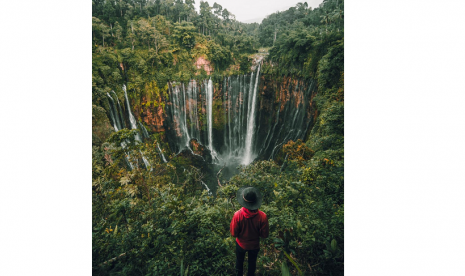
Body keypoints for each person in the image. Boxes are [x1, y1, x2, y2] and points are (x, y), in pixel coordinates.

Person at [230, 186, 269, 276]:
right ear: (256, 201)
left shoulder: (237, 215)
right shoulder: (262, 216)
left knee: (239, 262)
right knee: (252, 263)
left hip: (240, 244)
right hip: (254, 245)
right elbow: (264, 235)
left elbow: (233, 233)